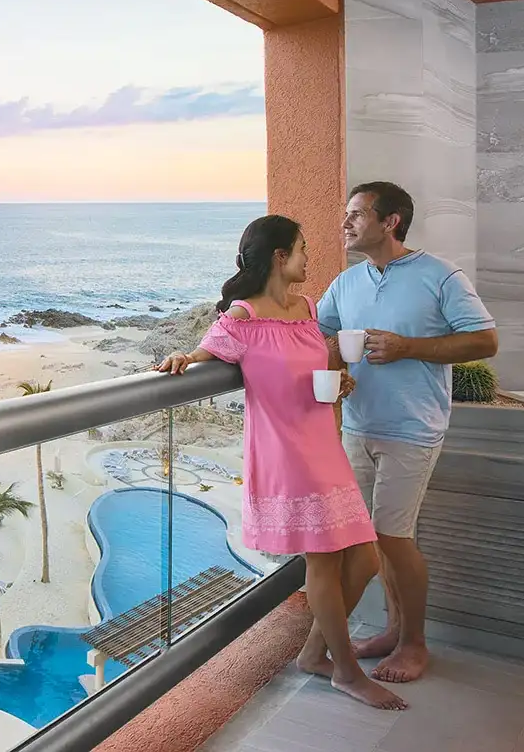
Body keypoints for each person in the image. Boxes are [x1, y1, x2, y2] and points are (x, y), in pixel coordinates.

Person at [157, 215, 406, 710]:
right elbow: (205, 352)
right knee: (324, 559)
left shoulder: (308, 309)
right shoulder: (243, 318)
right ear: (279, 257)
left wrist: (340, 383)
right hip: (286, 454)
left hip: (322, 443)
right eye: (303, 249)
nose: (309, 258)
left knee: (366, 558)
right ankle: (347, 673)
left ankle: (316, 653)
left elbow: (313, 370)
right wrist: (182, 358)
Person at [318, 181, 498, 684]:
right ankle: (393, 630)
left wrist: (406, 347)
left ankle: (414, 642)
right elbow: (321, 334)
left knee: (392, 539)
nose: (346, 222)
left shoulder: (439, 275)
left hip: (412, 429)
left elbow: (485, 341)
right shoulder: (347, 282)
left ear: (390, 221)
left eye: (356, 214)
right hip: (356, 424)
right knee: (372, 539)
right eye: (346, 213)